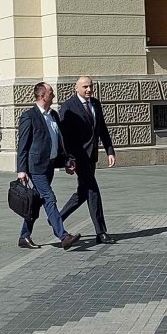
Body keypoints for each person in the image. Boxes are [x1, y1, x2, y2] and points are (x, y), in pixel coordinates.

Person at [16, 82, 81, 250]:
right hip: (35, 167)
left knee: (36, 202)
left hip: (49, 166)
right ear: (42, 95)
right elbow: (22, 145)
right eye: (51, 92)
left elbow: (59, 141)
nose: (53, 95)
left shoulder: (53, 115)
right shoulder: (29, 116)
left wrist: (67, 160)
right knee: (49, 199)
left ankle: (24, 236)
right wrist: (21, 170)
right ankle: (63, 236)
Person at [59, 76, 117, 244]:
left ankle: (57, 218)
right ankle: (101, 232)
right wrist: (67, 159)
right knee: (93, 190)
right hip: (78, 157)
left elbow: (102, 129)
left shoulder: (96, 104)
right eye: (85, 87)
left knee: (83, 192)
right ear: (76, 88)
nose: (89, 90)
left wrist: (109, 150)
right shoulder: (68, 106)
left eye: (91, 86)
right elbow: (65, 136)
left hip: (92, 156)